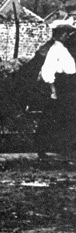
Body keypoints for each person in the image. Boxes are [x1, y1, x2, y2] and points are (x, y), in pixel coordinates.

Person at [36, 23, 76, 159]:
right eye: (66, 34)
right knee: (50, 118)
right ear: (61, 35)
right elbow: (47, 71)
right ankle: (41, 149)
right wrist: (53, 91)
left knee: (66, 119)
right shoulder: (55, 50)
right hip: (60, 87)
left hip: (68, 85)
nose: (68, 37)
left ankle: (65, 149)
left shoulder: (64, 49)